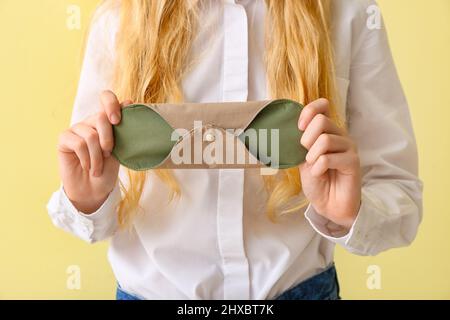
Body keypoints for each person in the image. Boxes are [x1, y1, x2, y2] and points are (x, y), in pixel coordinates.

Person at [47, 0, 423, 300]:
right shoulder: (117, 20)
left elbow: (398, 192)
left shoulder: (349, 13)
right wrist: (88, 199)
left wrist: (347, 214)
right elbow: (94, 207)